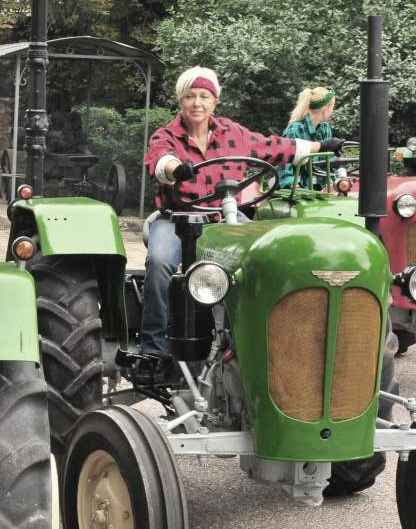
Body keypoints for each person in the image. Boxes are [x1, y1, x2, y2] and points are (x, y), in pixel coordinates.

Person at [140, 67, 342, 366]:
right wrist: (175, 168)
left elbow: (276, 147)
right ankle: (154, 348)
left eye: (204, 96)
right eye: (190, 96)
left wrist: (320, 146)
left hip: (224, 219)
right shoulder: (166, 135)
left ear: (215, 101)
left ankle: (262, 341)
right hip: (178, 220)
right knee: (159, 262)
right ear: (180, 101)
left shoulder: (233, 133)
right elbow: (159, 159)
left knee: (267, 258)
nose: (197, 103)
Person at [279, 86, 336, 188]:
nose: (332, 111)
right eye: (332, 107)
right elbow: (284, 167)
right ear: (326, 108)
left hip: (322, 188)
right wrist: (293, 185)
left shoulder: (325, 128)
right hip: (298, 189)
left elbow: (330, 161)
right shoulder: (294, 130)